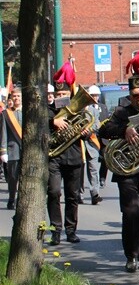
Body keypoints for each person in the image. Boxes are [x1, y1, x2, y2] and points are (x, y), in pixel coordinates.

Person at [98, 57, 139, 271]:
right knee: (131, 212)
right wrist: (124, 130)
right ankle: (132, 255)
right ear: (130, 95)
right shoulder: (121, 111)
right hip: (127, 172)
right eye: (135, 96)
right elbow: (104, 130)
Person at [47, 66, 88, 246]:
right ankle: (56, 230)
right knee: (54, 192)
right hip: (54, 157)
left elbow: (87, 132)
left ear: (69, 93)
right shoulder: (48, 111)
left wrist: (85, 132)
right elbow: (38, 127)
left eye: (64, 93)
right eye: (58, 94)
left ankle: (71, 230)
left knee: (72, 196)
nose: (61, 97)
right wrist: (52, 121)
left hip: (73, 157)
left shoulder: (77, 110)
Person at [79, 85, 107, 205]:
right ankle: (79, 194)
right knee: (79, 171)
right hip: (79, 143)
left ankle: (95, 194)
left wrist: (89, 130)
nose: (94, 98)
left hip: (91, 142)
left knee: (93, 169)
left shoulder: (94, 111)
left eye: (96, 96)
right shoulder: (77, 110)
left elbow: (97, 124)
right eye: (92, 96)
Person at [1, 86, 23, 209]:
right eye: (14, 96)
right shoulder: (6, 114)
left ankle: (22, 199)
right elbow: (3, 133)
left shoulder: (27, 112)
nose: (16, 98)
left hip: (26, 149)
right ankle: (11, 198)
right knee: (13, 177)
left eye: (18, 96)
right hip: (13, 150)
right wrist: (3, 150)